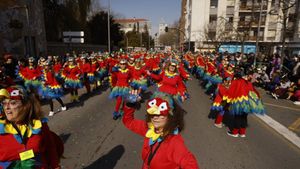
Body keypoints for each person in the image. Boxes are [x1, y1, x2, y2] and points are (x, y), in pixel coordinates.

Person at [122, 95, 199, 169]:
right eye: (153, 114)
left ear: (170, 116)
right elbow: (129, 122)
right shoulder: (149, 129)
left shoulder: (174, 141)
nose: (155, 117)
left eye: (160, 114)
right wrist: (130, 105)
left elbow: (190, 163)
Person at [0, 85, 63, 168]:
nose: (7, 107)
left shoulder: (38, 124)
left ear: (25, 105)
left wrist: (55, 166)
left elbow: (50, 146)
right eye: (4, 103)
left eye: (13, 103)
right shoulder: (2, 128)